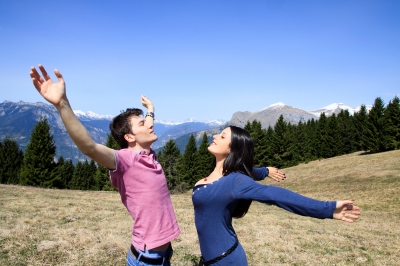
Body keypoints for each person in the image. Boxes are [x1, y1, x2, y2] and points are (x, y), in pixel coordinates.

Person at [30, 65, 180, 266]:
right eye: (142, 124)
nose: (150, 124)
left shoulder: (148, 154)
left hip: (163, 255)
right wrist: (62, 104)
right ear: (129, 137)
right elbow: (89, 147)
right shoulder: (126, 160)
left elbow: (149, 124)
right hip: (147, 259)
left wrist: (150, 110)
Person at [192, 126, 361, 266]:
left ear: (234, 148)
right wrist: (265, 171)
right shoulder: (224, 174)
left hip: (225, 260)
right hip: (209, 260)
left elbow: (275, 195)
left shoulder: (235, 181)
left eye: (222, 136)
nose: (215, 136)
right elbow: (249, 170)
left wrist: (328, 209)